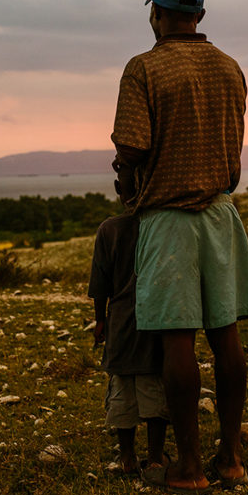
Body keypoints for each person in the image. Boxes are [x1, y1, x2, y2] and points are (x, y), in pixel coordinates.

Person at [111, 0, 248, 495]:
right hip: (221, 213)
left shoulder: (144, 68)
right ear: (198, 15)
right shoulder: (231, 68)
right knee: (226, 336)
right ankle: (231, 459)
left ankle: (190, 466)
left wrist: (126, 180)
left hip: (168, 219)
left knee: (179, 340)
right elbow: (235, 153)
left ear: (157, 13)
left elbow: (131, 147)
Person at [88, 188, 170, 477]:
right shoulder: (162, 224)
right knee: (153, 387)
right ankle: (157, 459)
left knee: (122, 387)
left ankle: (127, 458)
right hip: (156, 319)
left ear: (119, 192)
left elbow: (100, 283)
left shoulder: (109, 229)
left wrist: (100, 321)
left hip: (120, 322)